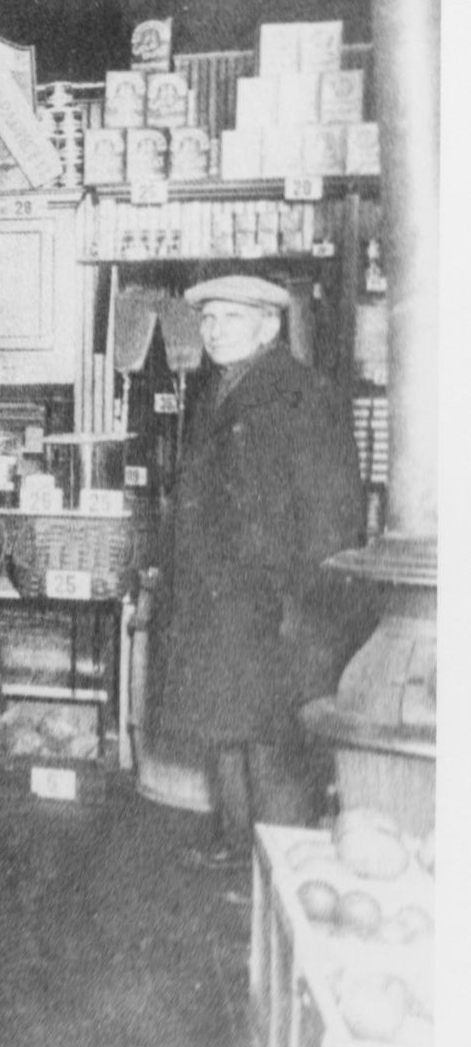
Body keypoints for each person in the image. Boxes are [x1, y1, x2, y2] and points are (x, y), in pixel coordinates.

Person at [159, 275, 364, 869]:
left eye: (231, 318)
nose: (214, 330)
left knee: (272, 739)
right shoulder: (220, 389)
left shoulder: (300, 393)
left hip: (275, 600)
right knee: (225, 724)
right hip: (221, 597)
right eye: (208, 319)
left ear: (270, 327)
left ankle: (278, 869)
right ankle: (232, 843)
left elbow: (332, 513)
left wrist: (306, 607)